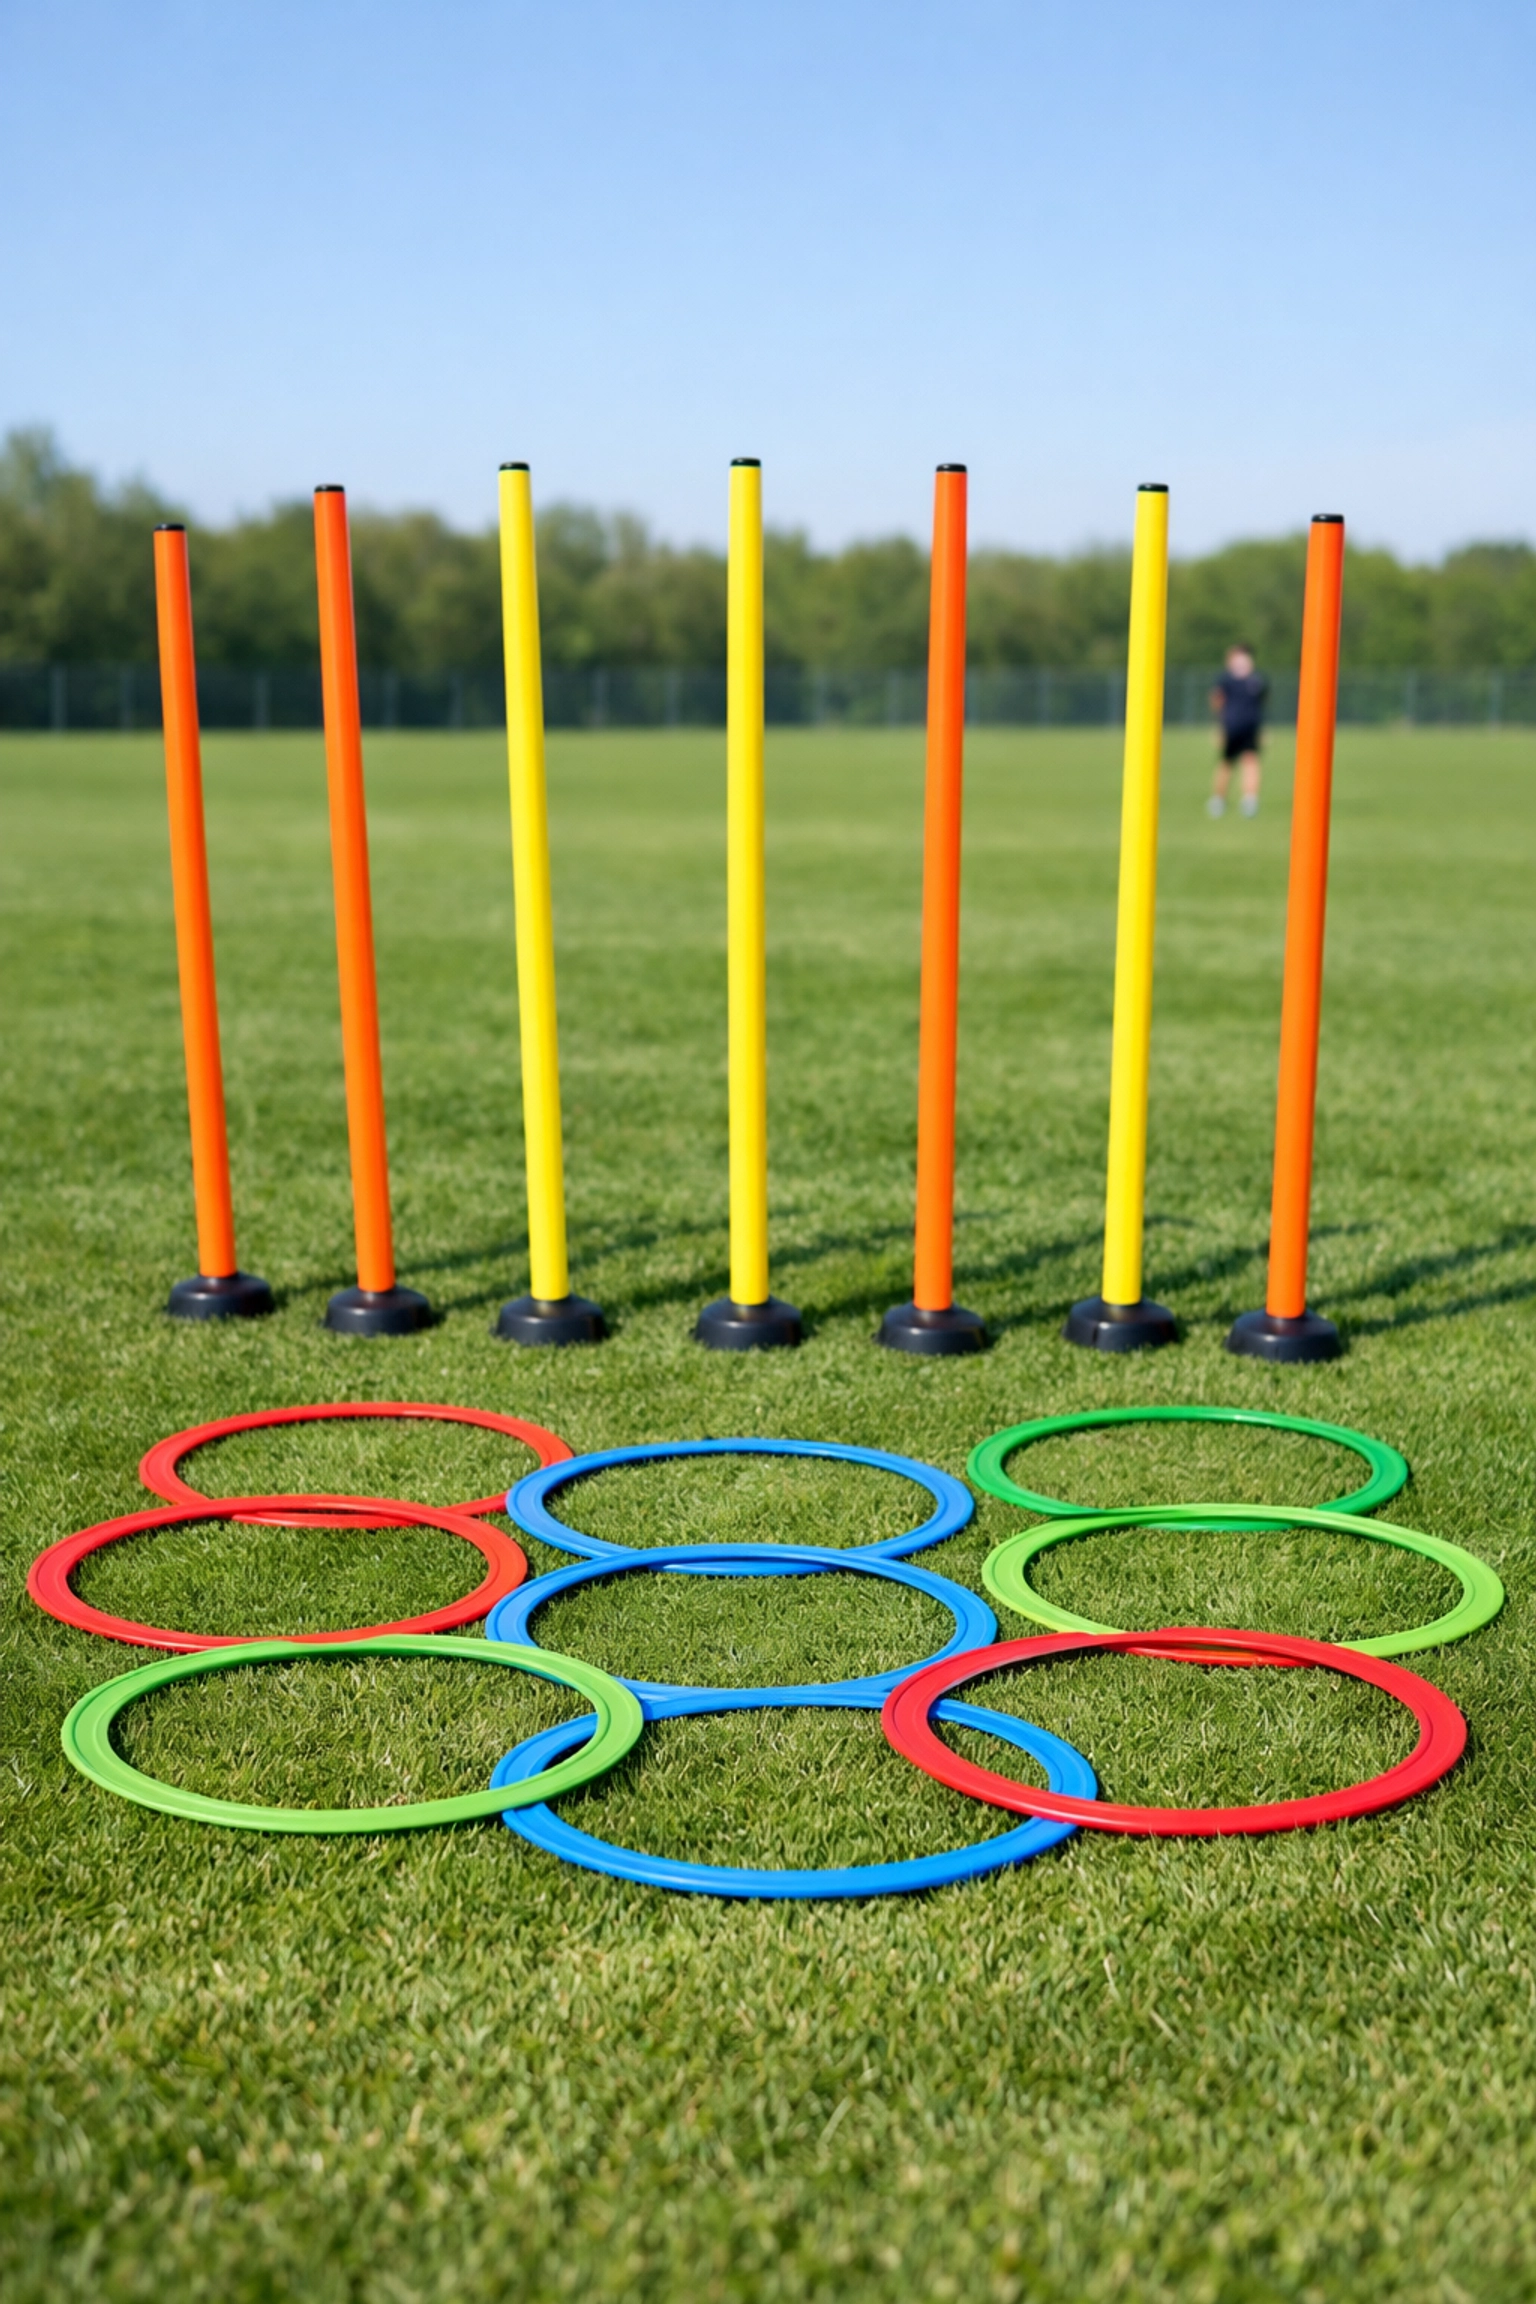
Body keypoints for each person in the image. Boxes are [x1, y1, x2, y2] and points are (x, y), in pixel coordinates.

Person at [1208, 645, 1269, 817]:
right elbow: (1217, 700)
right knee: (1227, 762)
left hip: (1250, 727)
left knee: (1250, 761)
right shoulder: (1226, 680)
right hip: (1231, 726)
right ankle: (1219, 800)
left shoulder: (1257, 680)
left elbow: (1261, 704)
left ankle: (1249, 801)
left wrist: (1261, 729)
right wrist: (1220, 727)